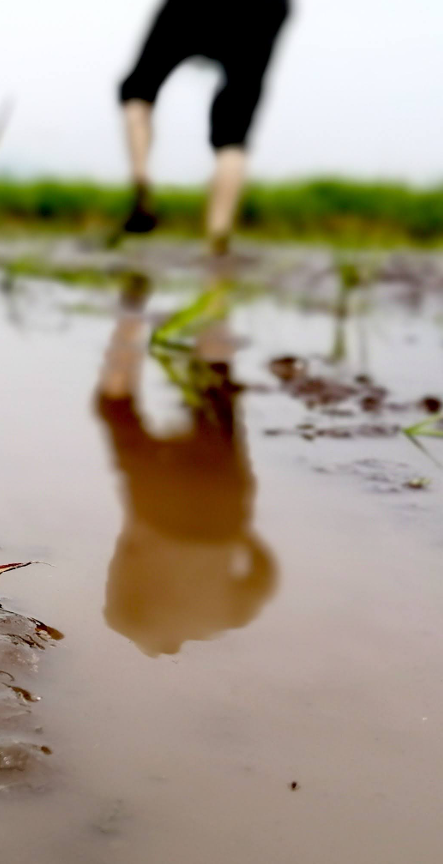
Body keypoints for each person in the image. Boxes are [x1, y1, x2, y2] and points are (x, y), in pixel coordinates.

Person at [94, 273, 277, 656]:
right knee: (118, 415)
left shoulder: (221, 620)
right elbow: (126, 555)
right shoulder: (124, 619)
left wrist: (241, 533)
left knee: (215, 397)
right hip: (158, 513)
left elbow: (264, 575)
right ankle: (130, 323)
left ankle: (214, 299)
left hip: (220, 516)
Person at [117, 0, 290, 254]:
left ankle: (140, 182)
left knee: (139, 89)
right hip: (261, 10)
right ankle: (218, 236)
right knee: (234, 127)